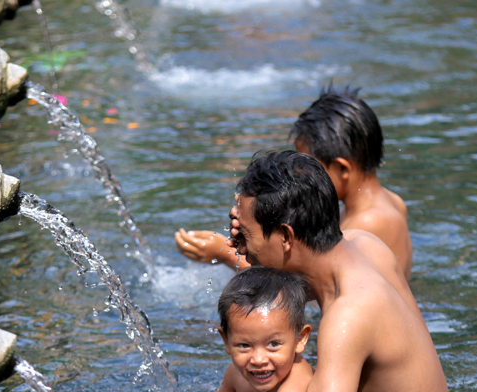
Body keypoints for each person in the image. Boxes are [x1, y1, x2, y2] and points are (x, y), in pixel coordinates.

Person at [228, 150, 454, 392]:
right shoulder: (364, 244)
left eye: (247, 237)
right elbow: (270, 305)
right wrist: (250, 239)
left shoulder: (349, 315)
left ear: (286, 237)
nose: (243, 247)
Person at [175, 86, 413, 279]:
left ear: (342, 168)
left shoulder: (367, 222)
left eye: (311, 166)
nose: (302, 175)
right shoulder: (390, 202)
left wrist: (226, 253)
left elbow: (304, 284)